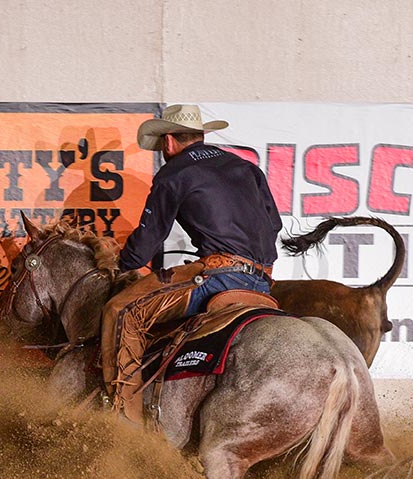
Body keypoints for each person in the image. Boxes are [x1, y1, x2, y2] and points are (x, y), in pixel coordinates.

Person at [101, 104, 283, 421]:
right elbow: (274, 225)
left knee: (121, 311)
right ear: (200, 135)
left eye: (161, 143)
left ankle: (122, 415)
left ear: (169, 141)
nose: (162, 149)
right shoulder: (245, 167)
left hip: (219, 277)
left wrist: (121, 260)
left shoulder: (174, 174)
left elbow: (145, 246)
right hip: (263, 280)